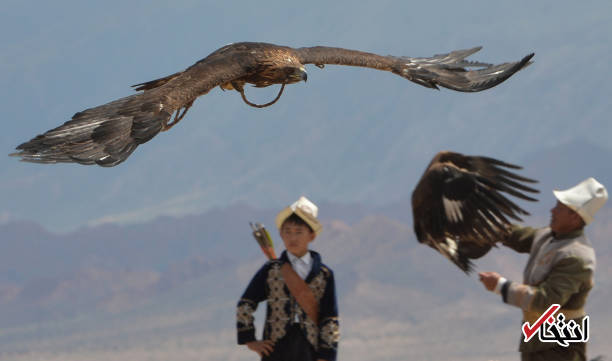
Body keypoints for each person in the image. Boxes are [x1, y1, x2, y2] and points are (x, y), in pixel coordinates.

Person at [479, 177, 608, 361]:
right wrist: (489, 228)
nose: (552, 210)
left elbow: (547, 300)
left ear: (575, 217)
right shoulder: (548, 236)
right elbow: (518, 236)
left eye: (560, 208)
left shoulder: (576, 257)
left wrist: (501, 286)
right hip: (536, 340)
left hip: (560, 345)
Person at [236, 196, 340, 361]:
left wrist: (326, 356)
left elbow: (330, 318)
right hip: (275, 351)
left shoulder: (324, 275)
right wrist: (250, 341)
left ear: (311, 236)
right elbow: (245, 304)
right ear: (280, 235)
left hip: (310, 351)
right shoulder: (271, 271)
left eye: (299, 232)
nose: (293, 237)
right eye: (287, 232)